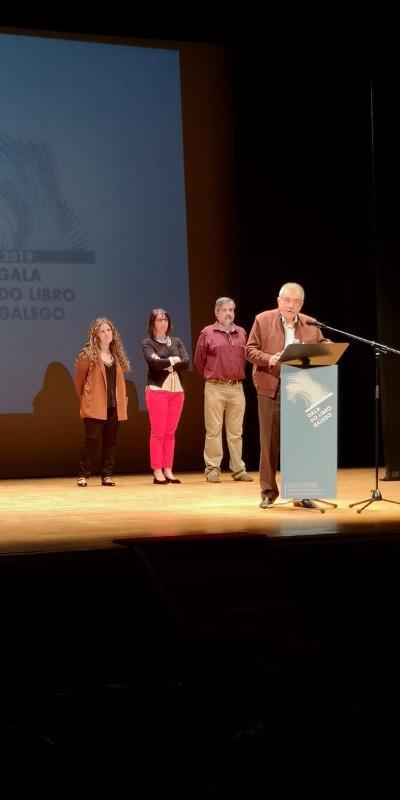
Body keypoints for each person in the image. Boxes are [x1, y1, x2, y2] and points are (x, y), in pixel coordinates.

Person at [245, 283, 325, 508]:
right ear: (278, 300)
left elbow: (324, 345)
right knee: (269, 443)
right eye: (287, 300)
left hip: (302, 389)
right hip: (272, 387)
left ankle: (302, 493)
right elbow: (249, 350)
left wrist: (324, 349)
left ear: (301, 304)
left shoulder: (310, 323)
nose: (291, 305)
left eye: (296, 301)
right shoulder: (262, 320)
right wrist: (269, 358)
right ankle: (268, 492)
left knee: (301, 443)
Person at [194, 297, 253, 483]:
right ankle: (212, 469)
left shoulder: (241, 332)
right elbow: (198, 361)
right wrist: (212, 376)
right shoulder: (208, 332)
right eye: (225, 310)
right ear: (216, 312)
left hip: (236, 388)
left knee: (236, 431)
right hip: (215, 387)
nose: (228, 313)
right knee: (213, 431)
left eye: (231, 310)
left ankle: (238, 469)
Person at [75, 318, 130, 486]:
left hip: (114, 405)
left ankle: (106, 475)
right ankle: (83, 474)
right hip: (95, 405)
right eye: (102, 331)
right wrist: (88, 399)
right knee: (92, 439)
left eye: (109, 330)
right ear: (96, 336)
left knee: (110, 441)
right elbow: (79, 382)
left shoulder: (117, 356)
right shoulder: (88, 356)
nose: (106, 334)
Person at [142, 308, 189, 484]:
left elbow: (185, 363)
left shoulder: (176, 341)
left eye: (165, 319)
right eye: (159, 320)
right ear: (152, 323)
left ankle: (168, 469)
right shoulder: (148, 343)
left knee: (170, 433)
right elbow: (154, 363)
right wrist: (172, 361)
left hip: (177, 392)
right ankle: (157, 470)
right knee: (158, 432)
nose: (163, 323)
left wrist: (168, 363)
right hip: (157, 391)